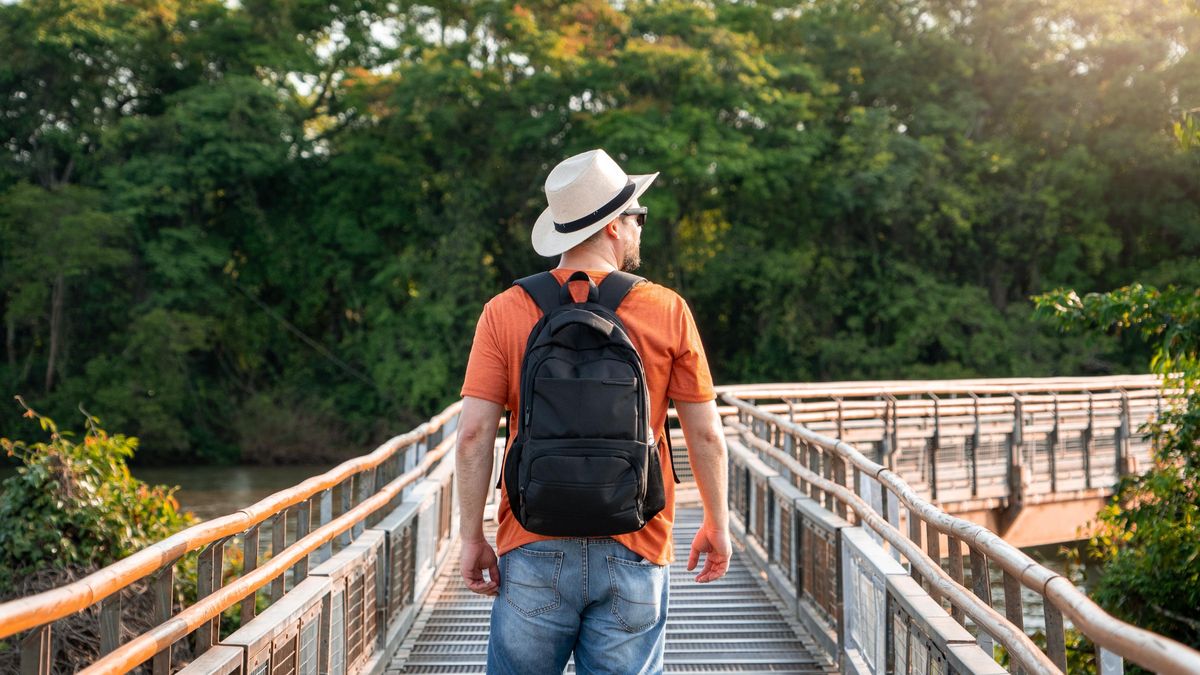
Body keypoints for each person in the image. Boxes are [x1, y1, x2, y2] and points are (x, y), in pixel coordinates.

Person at [455, 148, 731, 675]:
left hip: (532, 541)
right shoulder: (667, 309)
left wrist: (472, 538)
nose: (640, 229)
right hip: (638, 540)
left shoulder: (505, 310)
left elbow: (472, 435)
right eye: (638, 217)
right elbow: (707, 436)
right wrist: (717, 523)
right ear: (612, 227)